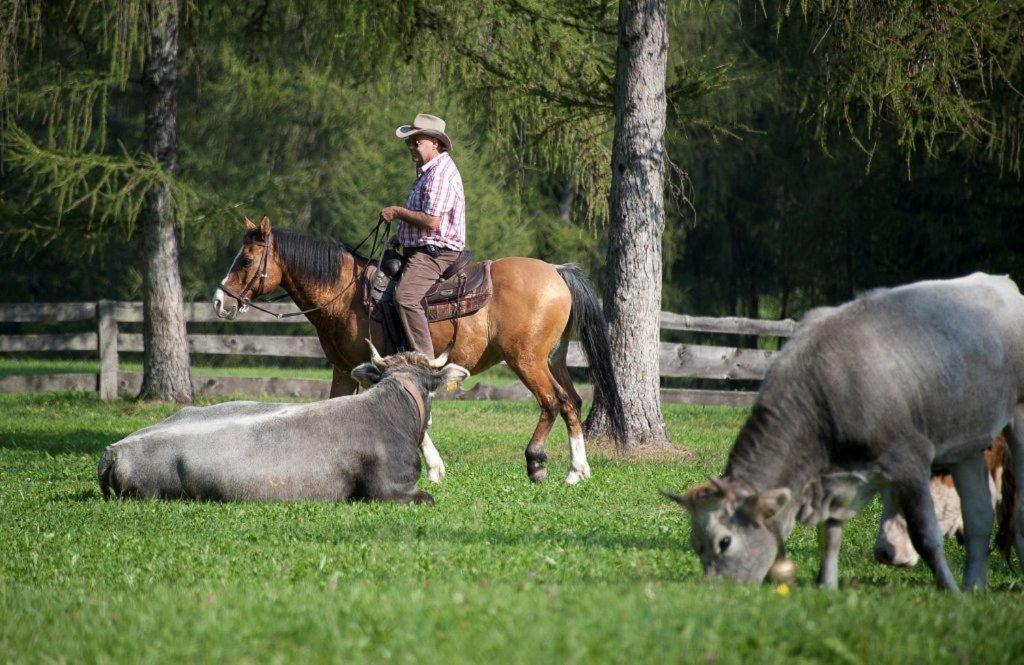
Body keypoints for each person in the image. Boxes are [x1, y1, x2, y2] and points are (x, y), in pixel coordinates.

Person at [379, 113, 466, 358]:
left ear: (434, 143)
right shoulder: (428, 171)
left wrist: (397, 212)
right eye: (410, 142)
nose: (411, 147)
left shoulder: (439, 175)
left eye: (416, 141)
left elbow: (431, 221)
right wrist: (402, 237)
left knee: (405, 297)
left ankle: (424, 362)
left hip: (435, 254)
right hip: (424, 247)